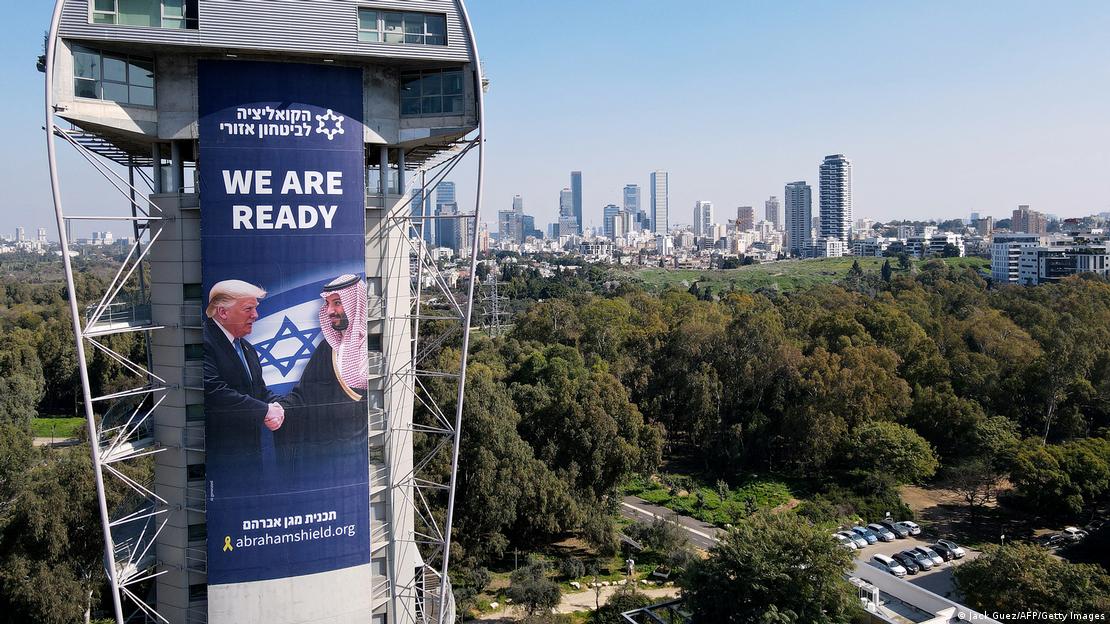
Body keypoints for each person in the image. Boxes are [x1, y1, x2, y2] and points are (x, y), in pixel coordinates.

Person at [279, 274, 369, 487]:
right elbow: (302, 396)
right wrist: (278, 409)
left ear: (354, 303)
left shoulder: (374, 349)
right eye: (328, 304)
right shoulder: (326, 350)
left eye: (337, 302)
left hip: (359, 463)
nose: (330, 311)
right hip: (321, 461)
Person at [203, 279, 285, 495]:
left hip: (249, 462)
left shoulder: (246, 347)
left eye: (255, 309)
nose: (255, 316)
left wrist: (277, 406)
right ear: (222, 312)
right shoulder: (203, 342)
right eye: (248, 309)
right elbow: (214, 392)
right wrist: (264, 410)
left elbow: (259, 391)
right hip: (221, 464)